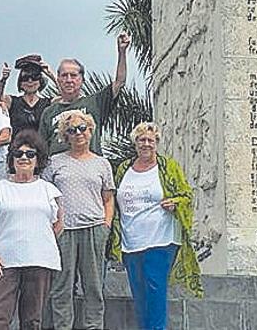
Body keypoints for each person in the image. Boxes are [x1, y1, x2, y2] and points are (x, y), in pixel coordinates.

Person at [109, 123, 203, 330]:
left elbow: (186, 195)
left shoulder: (168, 167)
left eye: (151, 140)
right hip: (130, 240)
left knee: (155, 288)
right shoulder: (124, 169)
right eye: (142, 140)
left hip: (161, 238)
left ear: (157, 143)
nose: (146, 144)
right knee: (138, 292)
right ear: (135, 143)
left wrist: (175, 202)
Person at [0, 130, 63, 330]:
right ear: (11, 159)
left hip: (40, 261)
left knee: (32, 320)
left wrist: (38, 243)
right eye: (18, 154)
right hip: (3, 262)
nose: (24, 158)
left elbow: (59, 224)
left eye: (30, 154)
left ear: (38, 159)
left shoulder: (50, 190)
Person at [41, 110, 115, 330]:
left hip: (94, 228)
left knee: (93, 286)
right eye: (72, 130)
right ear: (66, 135)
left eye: (82, 128)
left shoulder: (102, 164)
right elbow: (46, 195)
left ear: (90, 131)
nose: (78, 133)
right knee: (62, 286)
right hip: (65, 230)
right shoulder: (54, 162)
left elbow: (109, 198)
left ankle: (94, 326)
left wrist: (106, 226)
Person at [38, 33, 130, 155]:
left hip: (89, 167)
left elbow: (119, 82)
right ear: (58, 79)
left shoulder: (95, 102)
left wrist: (122, 52)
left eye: (74, 75)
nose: (69, 80)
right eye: (64, 76)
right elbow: (41, 148)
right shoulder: (48, 112)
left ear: (82, 79)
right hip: (58, 169)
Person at [0, 55, 56, 140]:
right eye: (25, 78)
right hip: (18, 150)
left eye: (34, 77)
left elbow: (67, 95)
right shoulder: (13, 101)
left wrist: (51, 74)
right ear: (20, 83)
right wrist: (4, 79)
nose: (30, 81)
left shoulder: (48, 103)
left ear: (40, 81)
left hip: (41, 150)